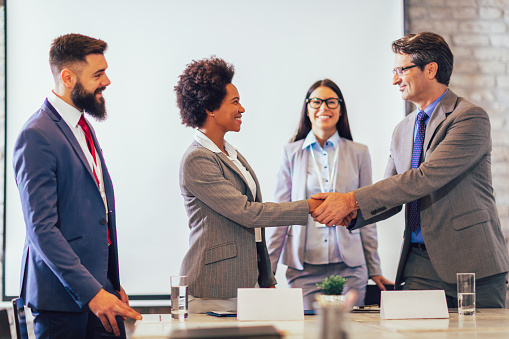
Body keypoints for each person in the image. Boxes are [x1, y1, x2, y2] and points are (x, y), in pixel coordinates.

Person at [312, 32, 509, 308]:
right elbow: (393, 195)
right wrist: (352, 214)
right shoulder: (402, 129)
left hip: (472, 264)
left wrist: (349, 200)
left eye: (400, 70)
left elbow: (424, 178)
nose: (394, 79)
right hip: (418, 265)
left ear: (430, 69)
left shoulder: (469, 118)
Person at [13, 33, 142, 338]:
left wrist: (109, 282)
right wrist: (93, 292)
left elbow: (91, 214)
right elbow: (42, 229)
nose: (107, 81)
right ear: (68, 78)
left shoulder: (82, 128)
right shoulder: (37, 135)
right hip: (64, 305)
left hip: (99, 293)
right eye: (98, 74)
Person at [174, 57, 322, 313]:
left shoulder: (230, 154)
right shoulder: (197, 159)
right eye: (235, 102)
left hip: (245, 285)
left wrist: (266, 279)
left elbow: (254, 230)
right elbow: (248, 213)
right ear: (210, 107)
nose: (242, 109)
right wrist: (307, 207)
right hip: (215, 289)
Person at [266, 79, 392, 309]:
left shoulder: (359, 153)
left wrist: (374, 269)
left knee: (350, 330)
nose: (324, 108)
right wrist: (268, 272)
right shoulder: (290, 153)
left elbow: (367, 216)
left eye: (331, 102)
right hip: (303, 269)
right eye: (316, 102)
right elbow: (280, 216)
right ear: (307, 109)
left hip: (350, 268)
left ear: (341, 108)